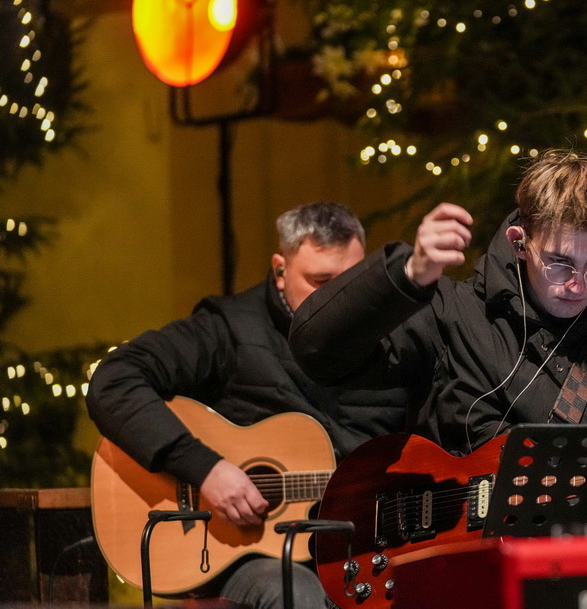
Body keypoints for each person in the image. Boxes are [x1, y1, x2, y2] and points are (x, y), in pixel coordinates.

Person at [86, 202, 406, 608]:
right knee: (298, 595)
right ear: (280, 270)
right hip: (246, 553)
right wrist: (206, 469)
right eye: (320, 281)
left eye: (352, 282)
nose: (339, 299)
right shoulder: (230, 328)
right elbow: (113, 381)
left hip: (364, 538)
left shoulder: (398, 338)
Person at [289, 149, 587, 455]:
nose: (577, 284)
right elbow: (318, 352)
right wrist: (406, 275)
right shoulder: (454, 314)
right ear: (519, 242)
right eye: (559, 262)